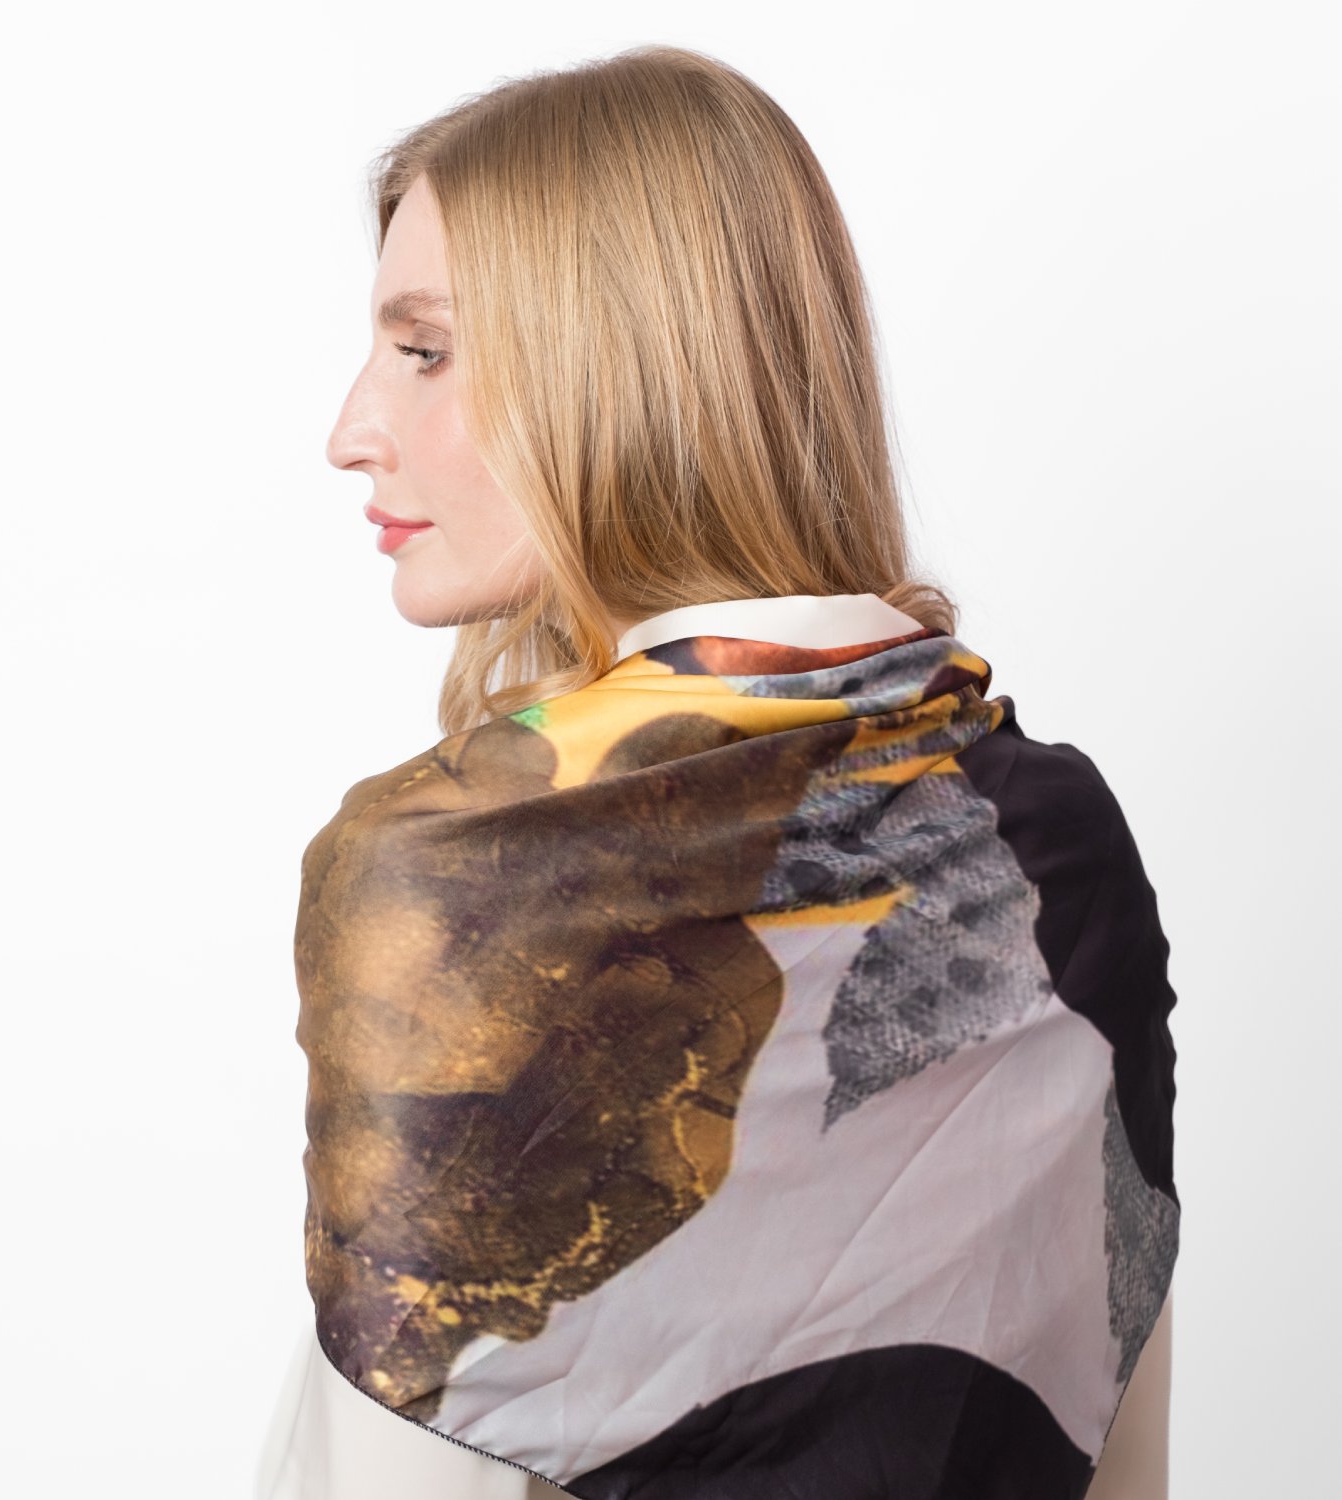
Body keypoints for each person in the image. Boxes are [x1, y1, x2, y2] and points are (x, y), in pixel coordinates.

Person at [255, 44, 1177, 1500]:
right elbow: (1108, 1430)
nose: (350, 431)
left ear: (618, 366)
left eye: (425, 351)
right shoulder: (1056, 837)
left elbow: (385, 1466)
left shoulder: (464, 883)